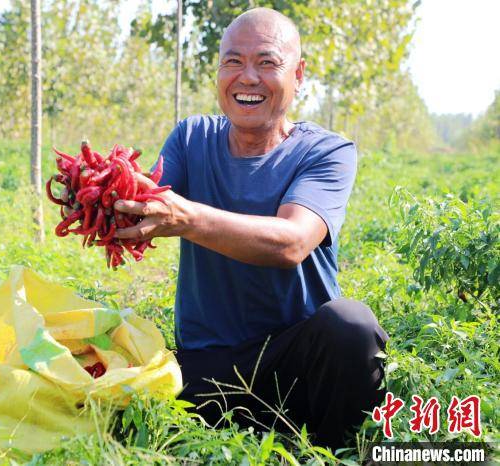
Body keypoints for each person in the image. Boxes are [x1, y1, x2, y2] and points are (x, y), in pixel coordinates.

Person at [114, 7, 388, 448]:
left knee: (351, 326)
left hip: (295, 365)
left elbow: (292, 242)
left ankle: (335, 448)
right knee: (116, 398)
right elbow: (144, 206)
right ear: (218, 70)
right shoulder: (191, 138)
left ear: (298, 75)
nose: (247, 77)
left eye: (266, 62)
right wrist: (106, 195)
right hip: (208, 369)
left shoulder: (327, 152)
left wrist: (187, 218)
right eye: (233, 61)